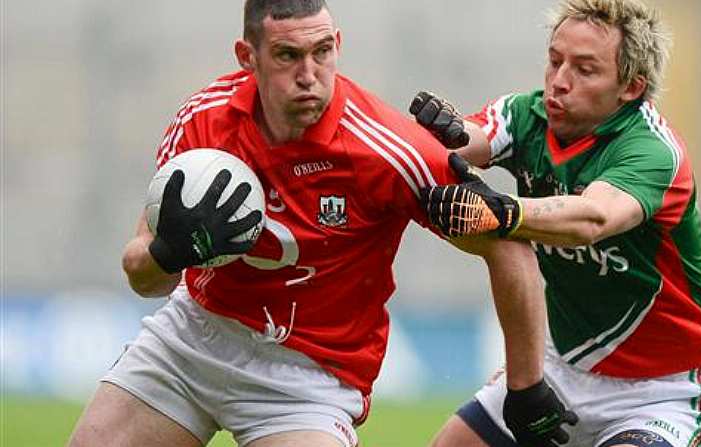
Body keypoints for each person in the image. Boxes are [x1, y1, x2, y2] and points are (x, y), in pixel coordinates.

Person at [67, 1, 576, 446]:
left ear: (338, 45)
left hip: (305, 377)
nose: (309, 75)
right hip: (193, 337)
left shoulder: (386, 147)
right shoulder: (205, 120)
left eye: (323, 52)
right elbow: (142, 274)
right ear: (249, 58)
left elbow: (507, 246)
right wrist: (169, 253)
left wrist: (526, 387)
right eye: (288, 56)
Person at [410, 0, 701, 446]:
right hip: (559, 366)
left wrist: (504, 212)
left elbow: (594, 218)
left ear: (631, 88)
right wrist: (435, 137)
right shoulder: (526, 115)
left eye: (585, 69)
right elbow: (470, 140)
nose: (559, 82)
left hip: (658, 391)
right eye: (555, 60)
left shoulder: (653, 151)